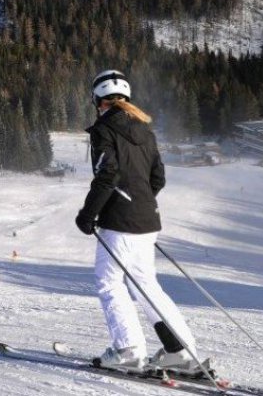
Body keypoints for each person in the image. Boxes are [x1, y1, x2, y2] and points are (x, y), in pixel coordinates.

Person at [75, 70, 202, 374]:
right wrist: (140, 202)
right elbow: (158, 178)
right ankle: (181, 352)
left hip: (120, 222)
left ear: (98, 100)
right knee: (146, 284)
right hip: (147, 219)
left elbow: (107, 175)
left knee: (109, 282)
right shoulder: (145, 128)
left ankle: (129, 350)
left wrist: (88, 214)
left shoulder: (104, 129)